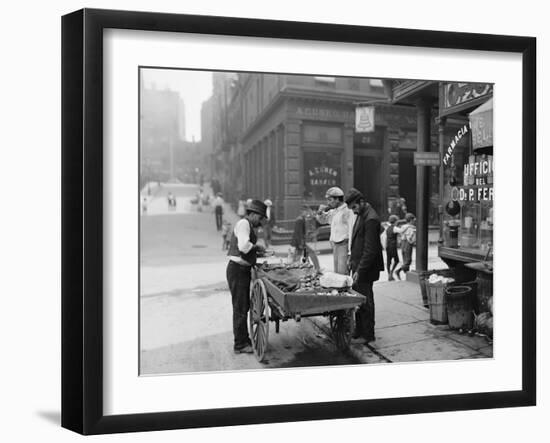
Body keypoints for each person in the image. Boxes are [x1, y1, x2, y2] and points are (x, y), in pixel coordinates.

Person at [226, 200, 267, 354]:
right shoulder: (244, 224)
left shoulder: (248, 225)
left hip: (242, 270)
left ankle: (243, 339)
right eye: (260, 218)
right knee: (240, 308)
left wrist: (258, 252)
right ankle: (240, 344)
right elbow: (243, 246)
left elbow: (246, 247)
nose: (261, 222)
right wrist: (256, 247)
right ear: (253, 214)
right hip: (237, 270)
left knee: (243, 306)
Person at [346, 188, 384, 344]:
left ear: (361, 201)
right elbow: (357, 240)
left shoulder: (371, 219)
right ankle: (359, 330)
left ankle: (368, 333)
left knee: (366, 300)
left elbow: (370, 250)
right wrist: (351, 258)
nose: (353, 211)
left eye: (354, 207)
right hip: (359, 265)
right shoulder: (362, 214)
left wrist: (359, 270)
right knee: (359, 299)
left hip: (366, 268)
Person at [316, 187, 354, 275]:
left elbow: (351, 231)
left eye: (330, 200)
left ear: (337, 199)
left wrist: (350, 252)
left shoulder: (347, 211)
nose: (328, 203)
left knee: (342, 274)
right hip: (335, 245)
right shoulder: (335, 211)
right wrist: (320, 212)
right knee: (337, 274)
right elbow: (323, 220)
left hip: (344, 244)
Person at [290, 205, 321, 269]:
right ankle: (317, 268)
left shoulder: (302, 219)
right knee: (311, 253)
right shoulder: (300, 220)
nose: (307, 213)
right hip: (300, 242)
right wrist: (301, 243)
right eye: (306, 211)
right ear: (302, 211)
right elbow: (298, 233)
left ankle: (306, 268)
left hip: (300, 241)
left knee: (302, 256)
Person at [393, 213, 416, 280]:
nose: (414, 221)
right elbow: (410, 238)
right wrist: (413, 241)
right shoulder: (411, 228)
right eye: (413, 220)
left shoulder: (403, 227)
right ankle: (398, 271)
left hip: (403, 244)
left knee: (405, 260)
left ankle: (407, 276)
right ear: (411, 220)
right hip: (407, 244)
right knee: (408, 260)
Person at [385, 215, 400, 281]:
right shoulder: (395, 228)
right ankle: (391, 272)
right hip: (393, 246)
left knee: (389, 260)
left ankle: (389, 274)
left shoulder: (387, 228)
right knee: (396, 260)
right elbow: (401, 231)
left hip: (388, 245)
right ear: (395, 221)